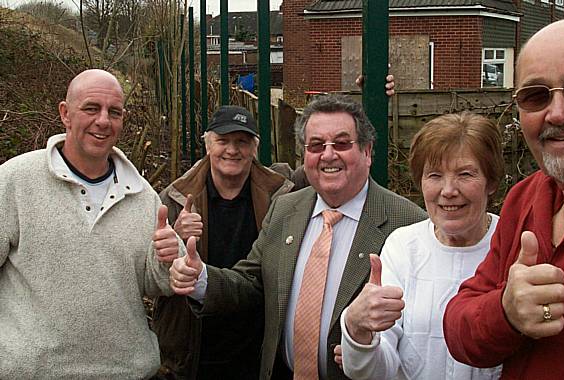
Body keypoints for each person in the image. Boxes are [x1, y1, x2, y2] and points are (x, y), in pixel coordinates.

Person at [169, 94, 427, 380]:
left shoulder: (408, 223)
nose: (328, 155)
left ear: (367, 152)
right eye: (316, 145)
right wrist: (200, 277)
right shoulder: (286, 208)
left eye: (341, 143)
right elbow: (252, 281)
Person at [443, 20, 564, 378]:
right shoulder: (527, 197)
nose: (558, 113)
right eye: (536, 96)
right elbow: (460, 330)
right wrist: (505, 313)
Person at [0, 69, 180, 378]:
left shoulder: (142, 194)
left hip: (127, 371)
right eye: (91, 108)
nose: (103, 121)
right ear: (65, 114)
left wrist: (168, 261)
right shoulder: (15, 181)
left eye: (114, 112)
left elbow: (157, 284)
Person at [337, 112, 504, 379]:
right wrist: (357, 330)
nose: (448, 190)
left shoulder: (512, 245)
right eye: (435, 175)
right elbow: (376, 370)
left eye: (465, 174)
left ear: (491, 182)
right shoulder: (403, 247)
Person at [152, 105, 294, 379]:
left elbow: (334, 169)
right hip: (195, 346)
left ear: (255, 148)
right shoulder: (173, 199)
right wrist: (178, 236)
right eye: (223, 141)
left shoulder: (283, 193)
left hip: (258, 347)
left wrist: (372, 89)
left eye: (242, 141)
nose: (232, 150)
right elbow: (152, 276)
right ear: (207, 145)